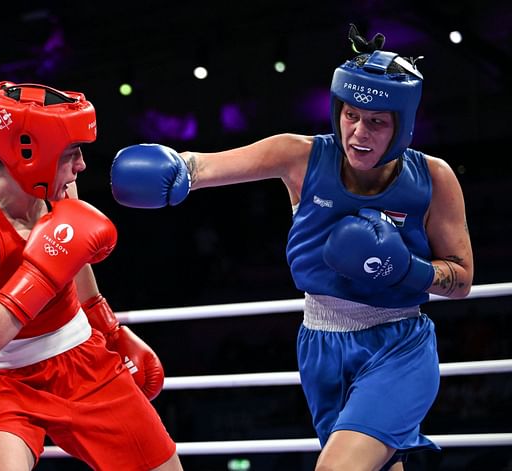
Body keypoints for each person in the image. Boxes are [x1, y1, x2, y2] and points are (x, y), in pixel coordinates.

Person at [109, 24, 474, 471]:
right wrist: (173, 172)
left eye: (377, 122)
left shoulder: (433, 179)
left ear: (402, 127)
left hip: (399, 345)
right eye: (350, 116)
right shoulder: (299, 156)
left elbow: (461, 279)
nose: (359, 133)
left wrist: (403, 269)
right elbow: (200, 167)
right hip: (321, 344)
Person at [0, 81, 183, 471]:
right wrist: (40, 276)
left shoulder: (57, 187)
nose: (82, 164)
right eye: (72, 152)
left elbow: (75, 257)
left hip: (82, 362)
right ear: (30, 154)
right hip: (3, 382)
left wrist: (110, 329)